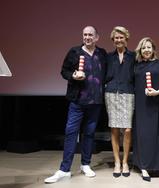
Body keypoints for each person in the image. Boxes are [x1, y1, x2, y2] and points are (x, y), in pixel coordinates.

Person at [44, 26, 107, 183]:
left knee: (90, 133)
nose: (87, 37)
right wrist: (73, 75)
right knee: (71, 132)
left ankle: (86, 164)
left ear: (97, 37)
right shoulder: (74, 52)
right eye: (85, 35)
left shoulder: (102, 53)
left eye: (90, 35)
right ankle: (64, 169)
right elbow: (64, 71)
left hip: (96, 102)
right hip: (77, 101)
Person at [133, 37, 159, 182]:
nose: (146, 50)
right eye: (143, 48)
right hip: (141, 104)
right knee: (142, 135)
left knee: (156, 133)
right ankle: (143, 166)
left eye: (149, 47)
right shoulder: (136, 66)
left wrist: (157, 92)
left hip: (156, 102)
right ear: (140, 51)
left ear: (153, 49)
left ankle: (156, 165)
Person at [105, 26, 135, 177]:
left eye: (121, 37)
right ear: (113, 40)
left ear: (126, 38)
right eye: (116, 37)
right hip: (111, 94)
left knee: (127, 129)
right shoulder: (108, 57)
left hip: (128, 94)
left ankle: (125, 162)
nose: (118, 40)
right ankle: (117, 162)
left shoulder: (134, 56)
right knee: (114, 129)